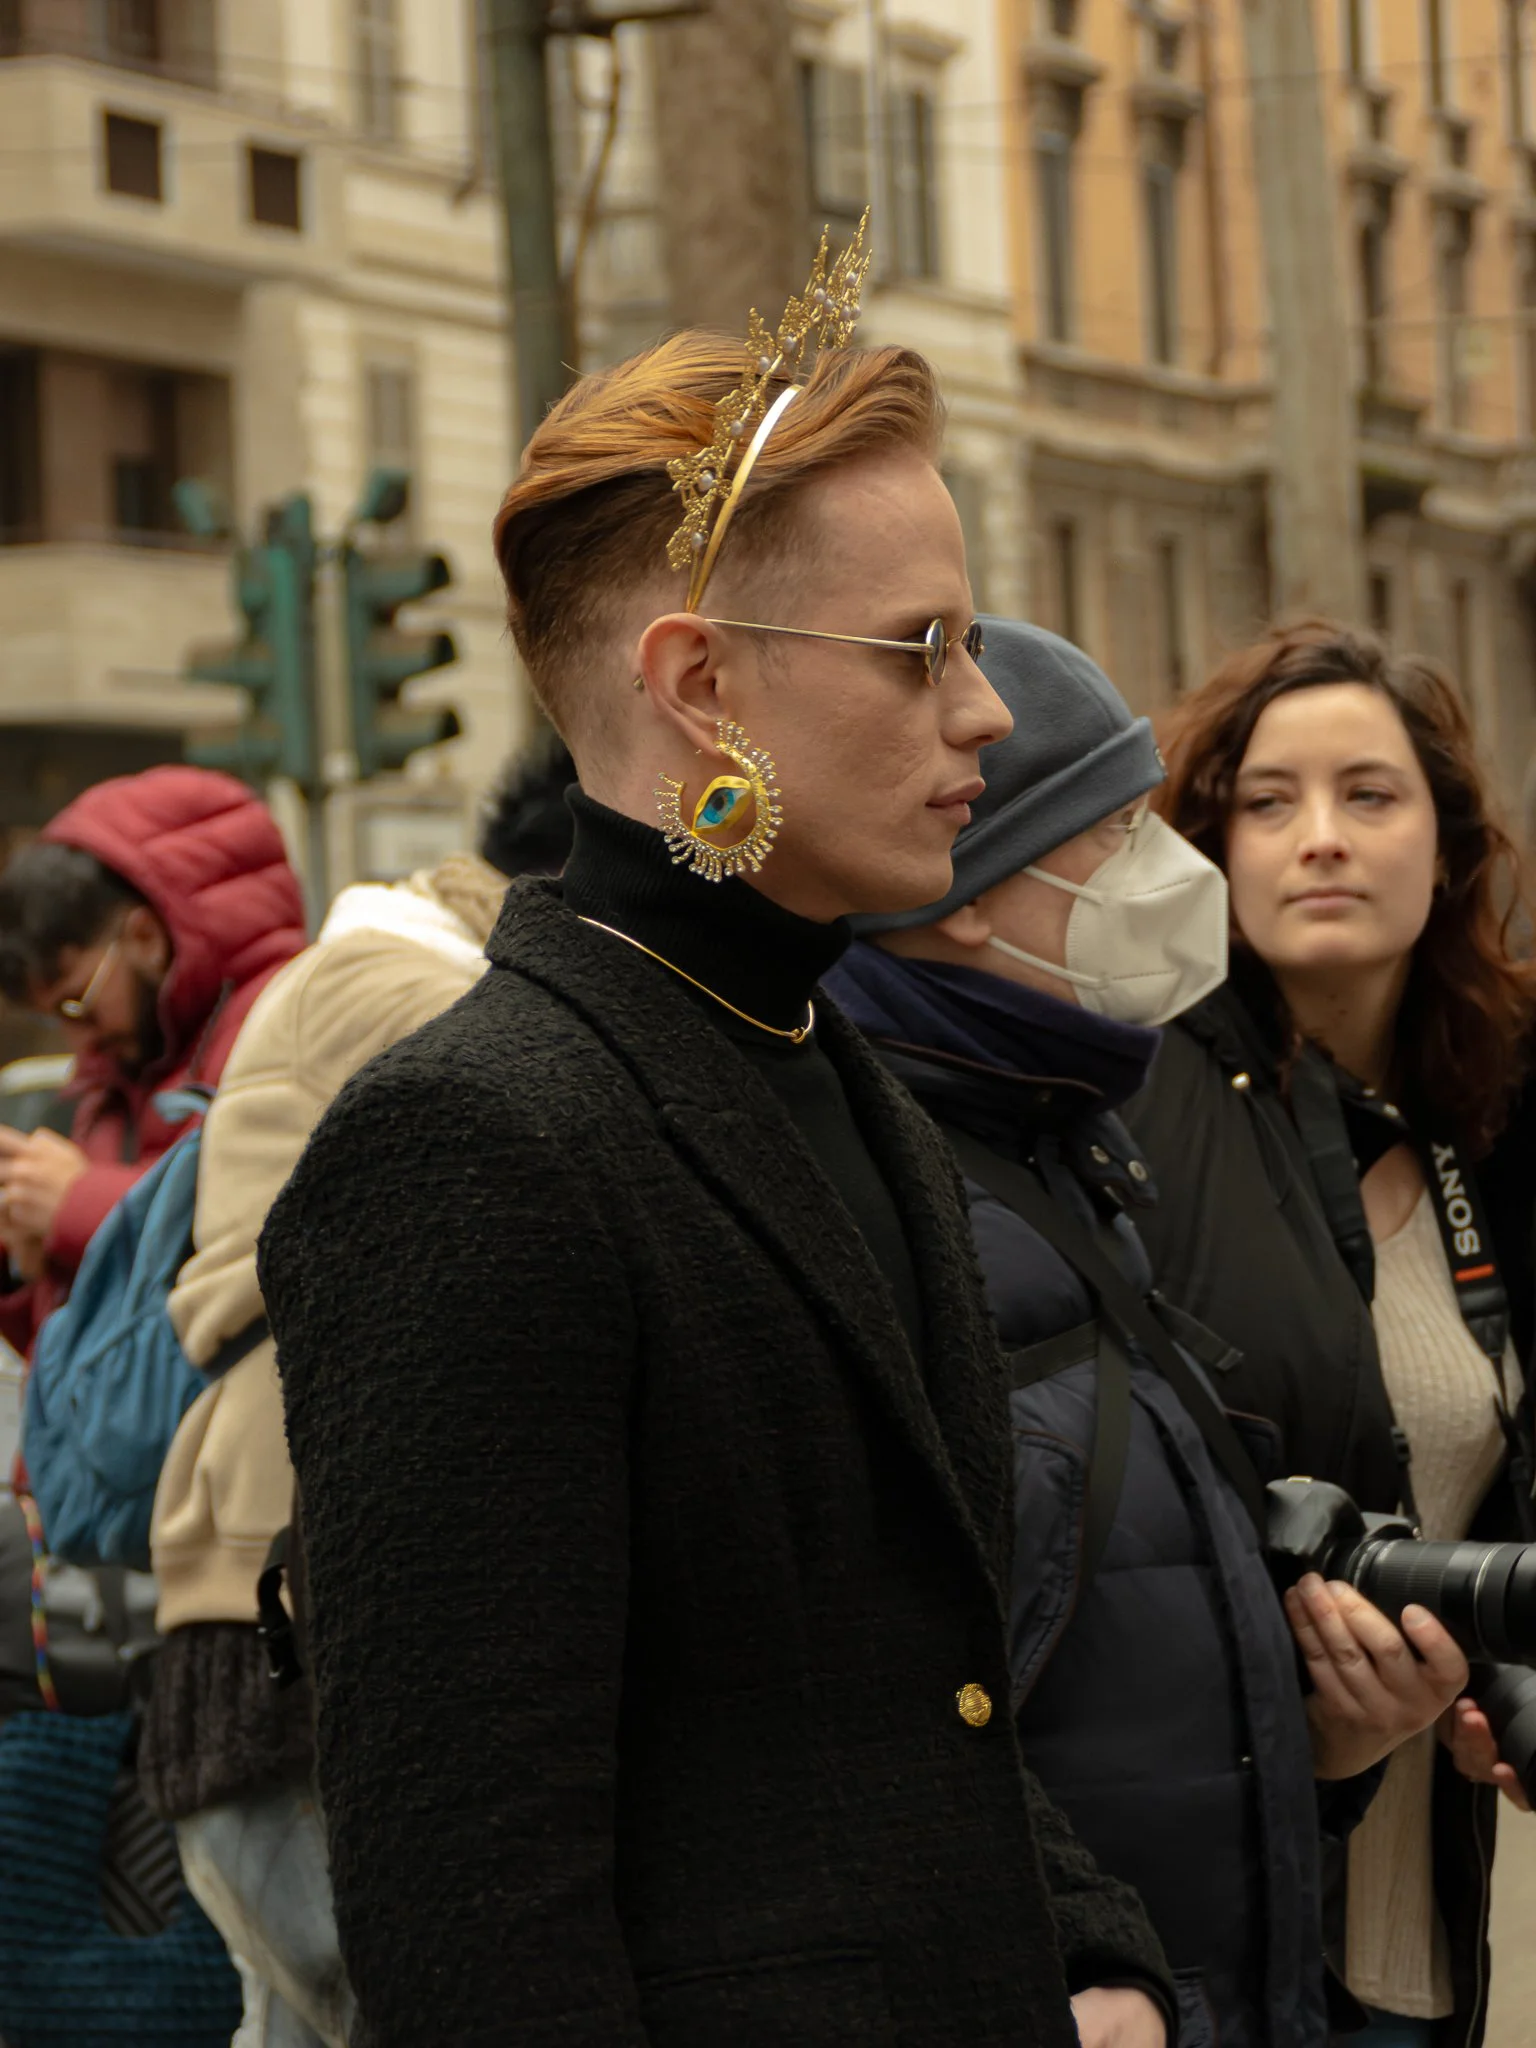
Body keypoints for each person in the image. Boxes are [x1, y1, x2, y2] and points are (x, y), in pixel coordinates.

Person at [258, 243, 1176, 2047]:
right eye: (922, 648)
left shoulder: (832, 1070)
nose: (987, 710)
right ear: (698, 683)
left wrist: (1093, 1955)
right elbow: (474, 1910)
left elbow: (917, 1695)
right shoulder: (471, 1137)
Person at [825, 619, 1471, 2048]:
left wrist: (1326, 1742)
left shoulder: (1063, 1142)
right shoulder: (901, 1181)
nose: (1169, 871)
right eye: (1125, 831)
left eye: (1372, 794)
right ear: (976, 881)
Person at [1123, 620, 1536, 2048]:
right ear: (1210, 848)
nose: (1321, 838)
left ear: (1449, 843)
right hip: (1210, 1926)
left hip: (1423, 1928)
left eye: (1370, 794)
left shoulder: (1494, 1121)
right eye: (1268, 800)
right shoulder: (1133, 1114)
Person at [136, 758, 575, 2048]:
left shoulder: (399, 967)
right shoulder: (393, 981)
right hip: (293, 1609)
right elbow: (586, 1117)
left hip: (278, 1592)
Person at [0, 768, 307, 1363]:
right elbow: (79, 1355)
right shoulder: (116, 1071)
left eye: (77, 1003)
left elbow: (275, 1238)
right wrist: (21, 1259)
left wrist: (78, 1203)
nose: (79, 1043)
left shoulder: (282, 1023)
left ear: (144, 937)